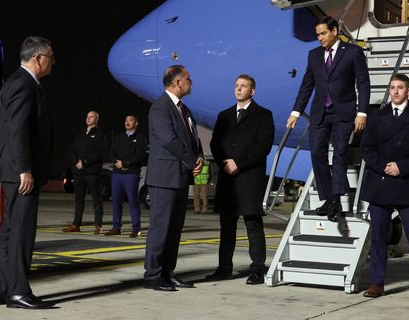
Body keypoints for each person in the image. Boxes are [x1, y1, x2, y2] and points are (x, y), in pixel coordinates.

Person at [0, 36, 55, 309]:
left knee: (10, 231)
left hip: (13, 170)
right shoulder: (23, 85)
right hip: (19, 172)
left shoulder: (21, 82)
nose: (53, 62)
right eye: (51, 57)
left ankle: (3, 288)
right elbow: (16, 131)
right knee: (21, 233)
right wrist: (24, 169)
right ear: (38, 58)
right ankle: (18, 292)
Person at [286, 16, 370, 222]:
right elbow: (307, 85)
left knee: (340, 153)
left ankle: (335, 200)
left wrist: (362, 112)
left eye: (323, 33)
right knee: (316, 153)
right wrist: (296, 111)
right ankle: (330, 197)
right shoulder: (313, 55)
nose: (320, 38)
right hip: (320, 112)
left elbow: (363, 83)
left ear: (334, 31)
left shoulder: (352, 52)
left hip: (343, 111)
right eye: (317, 35)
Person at [359, 73, 409, 303]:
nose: (395, 91)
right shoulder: (377, 117)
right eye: (392, 87)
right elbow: (367, 149)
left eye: (400, 87)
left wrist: (401, 167)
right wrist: (384, 167)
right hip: (381, 184)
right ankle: (376, 283)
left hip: (407, 184)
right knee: (379, 239)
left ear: (408, 90)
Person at [206, 74, 274, 285]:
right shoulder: (224, 115)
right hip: (228, 179)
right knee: (227, 227)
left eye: (243, 86)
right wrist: (224, 162)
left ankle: (257, 269)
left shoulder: (263, 115)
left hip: (249, 177)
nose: (238, 89)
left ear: (252, 91)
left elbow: (263, 147)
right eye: (236, 85)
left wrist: (239, 163)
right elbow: (215, 143)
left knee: (253, 225)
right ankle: (224, 268)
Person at [144, 65, 204, 292]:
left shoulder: (183, 109)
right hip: (164, 178)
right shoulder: (160, 108)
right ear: (178, 82)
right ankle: (152, 275)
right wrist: (191, 161)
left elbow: (191, 139)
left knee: (174, 229)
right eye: (188, 78)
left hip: (179, 177)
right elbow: (169, 140)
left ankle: (168, 273)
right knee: (161, 228)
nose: (191, 81)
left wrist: (197, 156)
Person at [62, 111, 107, 234]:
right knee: (78, 199)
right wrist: (76, 162)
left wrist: (85, 162)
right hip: (79, 172)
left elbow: (99, 153)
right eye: (87, 116)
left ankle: (98, 225)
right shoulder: (81, 134)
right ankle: (76, 224)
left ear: (97, 119)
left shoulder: (100, 134)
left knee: (96, 199)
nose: (88, 119)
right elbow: (72, 150)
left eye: (91, 117)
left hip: (92, 172)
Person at [105, 115, 148, 237]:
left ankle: (136, 229)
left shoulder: (140, 139)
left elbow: (140, 155)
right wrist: (117, 163)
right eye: (126, 121)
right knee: (116, 201)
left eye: (130, 121)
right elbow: (111, 152)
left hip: (131, 174)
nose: (127, 123)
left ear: (136, 123)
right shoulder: (119, 137)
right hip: (117, 174)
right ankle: (116, 227)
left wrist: (125, 163)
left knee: (133, 201)